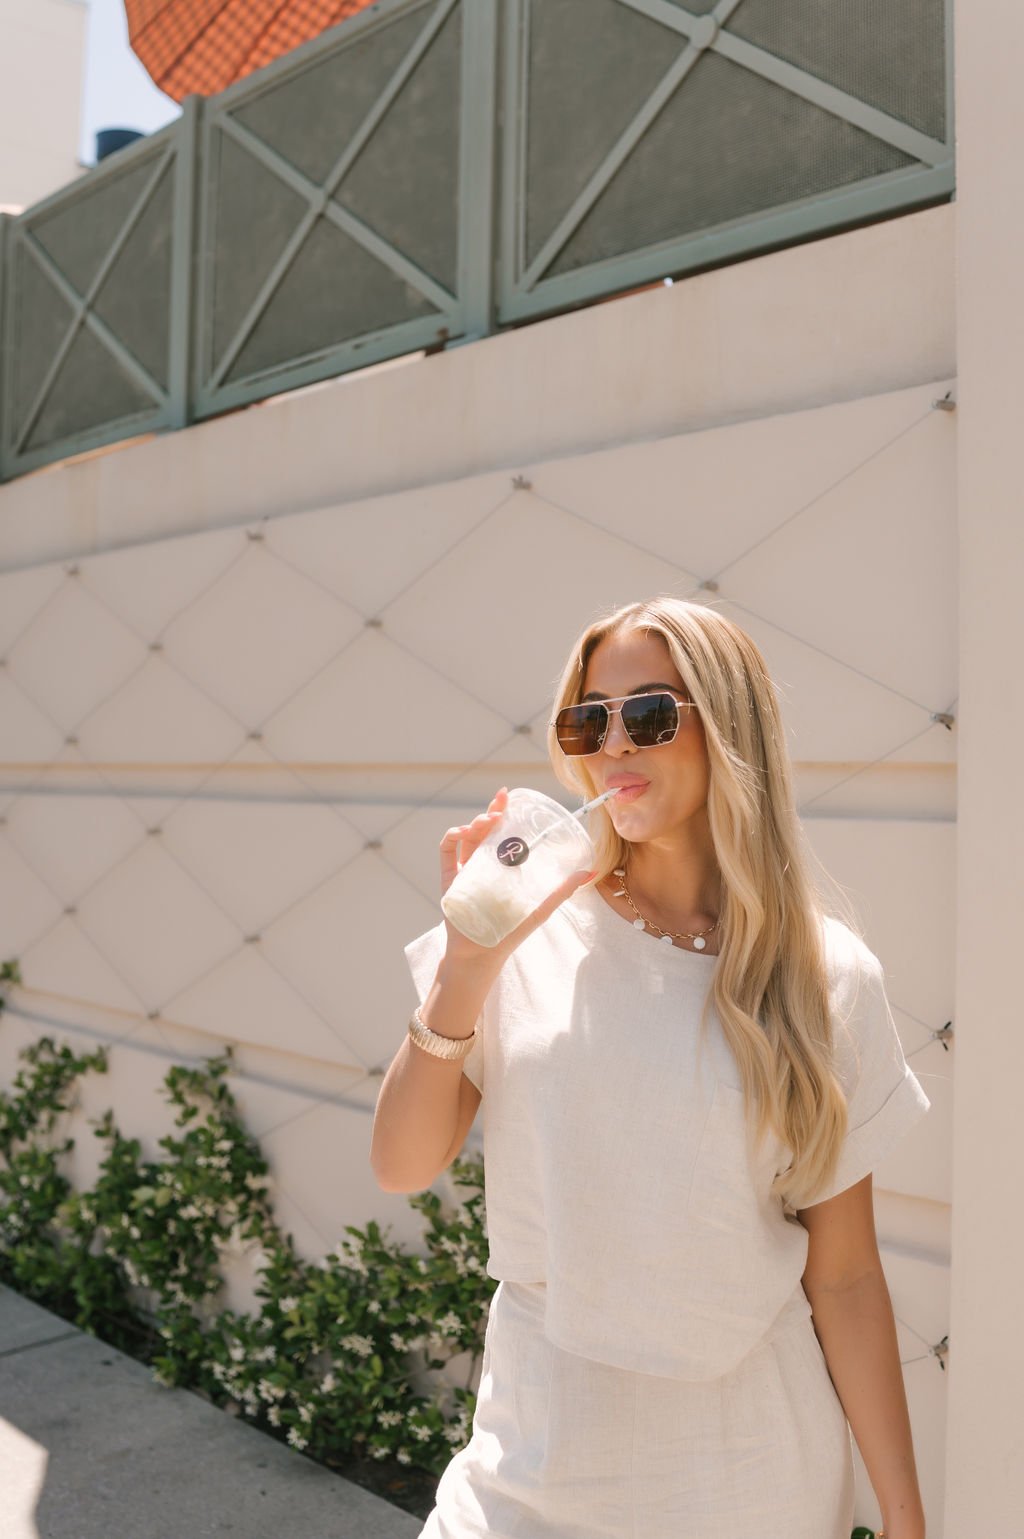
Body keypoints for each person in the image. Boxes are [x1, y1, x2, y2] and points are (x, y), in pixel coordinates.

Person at [370, 596, 930, 1539]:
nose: (613, 745)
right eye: (588, 720)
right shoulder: (521, 923)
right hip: (527, 1469)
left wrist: (909, 1521)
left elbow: (842, 1278)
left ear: (730, 729)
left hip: (749, 1482)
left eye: (650, 714)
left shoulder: (825, 977)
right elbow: (400, 1164)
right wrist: (469, 961)